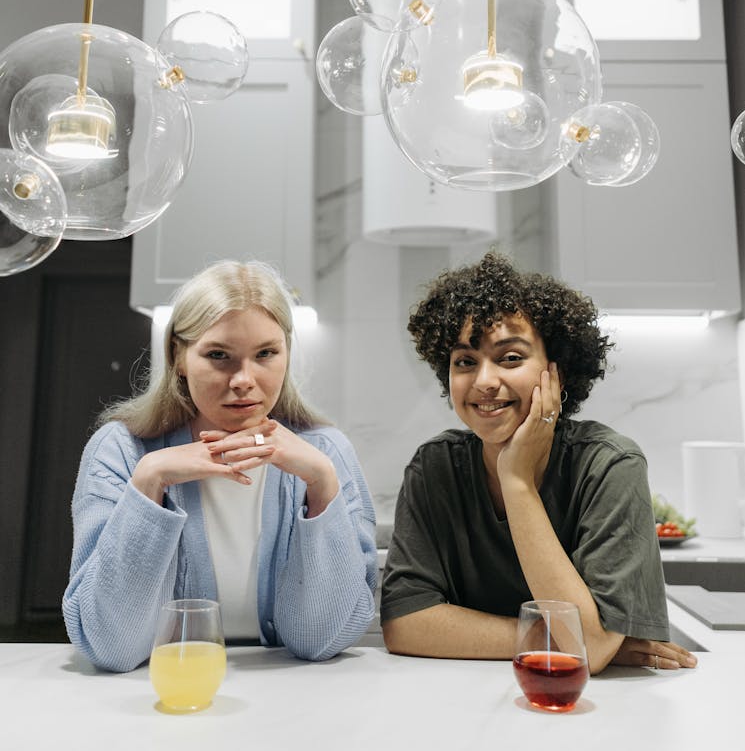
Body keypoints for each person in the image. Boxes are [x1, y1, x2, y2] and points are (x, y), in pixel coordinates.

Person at [380, 251, 697, 674]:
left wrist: (516, 481)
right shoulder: (435, 467)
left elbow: (591, 651)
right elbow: (404, 626)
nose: (484, 381)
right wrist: (561, 638)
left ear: (558, 373)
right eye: (465, 362)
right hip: (457, 706)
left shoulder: (609, 465)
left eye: (510, 358)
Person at [63, 260, 377, 672]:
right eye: (218, 356)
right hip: (160, 700)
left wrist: (320, 482)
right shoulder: (122, 452)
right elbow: (112, 646)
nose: (244, 379)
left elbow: (321, 641)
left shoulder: (326, 454)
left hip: (294, 699)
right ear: (178, 356)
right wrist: (148, 482)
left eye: (266, 353)